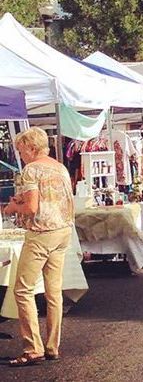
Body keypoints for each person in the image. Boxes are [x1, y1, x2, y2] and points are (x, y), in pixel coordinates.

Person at [3, 127, 74, 366]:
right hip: (63, 231)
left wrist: (14, 208)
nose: (21, 155)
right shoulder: (59, 167)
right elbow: (53, 198)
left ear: (31, 148)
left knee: (23, 290)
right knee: (54, 292)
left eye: (22, 150)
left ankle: (33, 348)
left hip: (42, 233)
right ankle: (53, 346)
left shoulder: (31, 169)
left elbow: (33, 208)